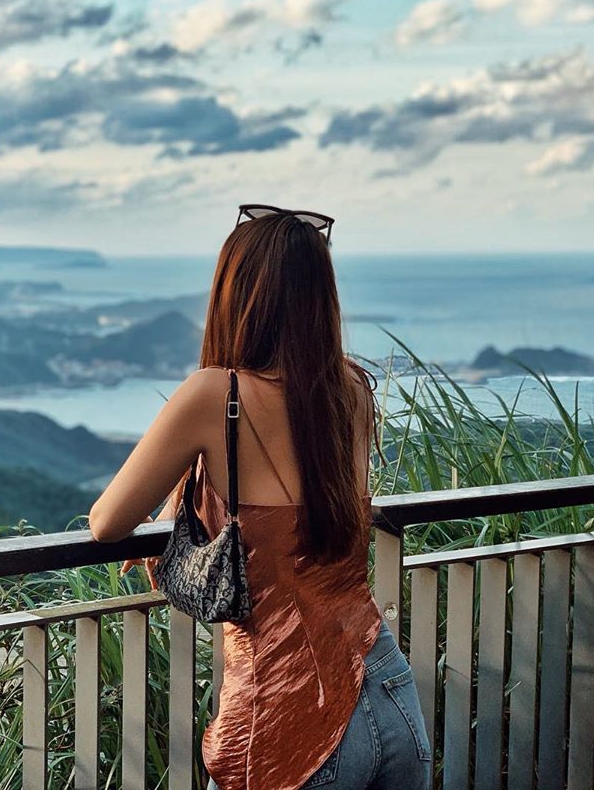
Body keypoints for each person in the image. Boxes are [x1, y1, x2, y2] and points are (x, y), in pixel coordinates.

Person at [87, 205, 433, 789]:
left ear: (235, 294)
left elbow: (106, 521)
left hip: (289, 721)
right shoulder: (351, 389)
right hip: (387, 687)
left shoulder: (213, 394)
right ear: (320, 298)